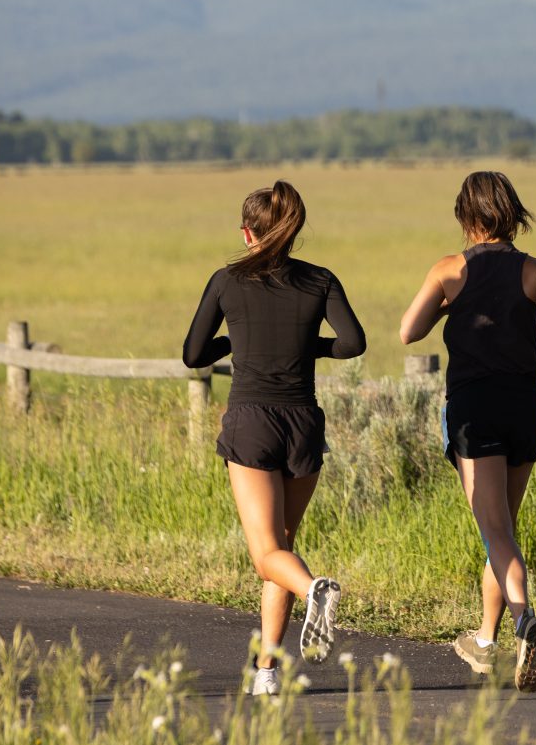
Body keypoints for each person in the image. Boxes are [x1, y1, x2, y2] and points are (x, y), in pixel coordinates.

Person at [182, 179, 365, 697]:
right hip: (303, 424)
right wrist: (309, 346)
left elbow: (194, 354)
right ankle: (266, 672)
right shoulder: (320, 280)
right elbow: (353, 343)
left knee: (266, 555)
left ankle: (315, 590)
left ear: (247, 233)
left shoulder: (225, 281)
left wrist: (240, 339)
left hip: (252, 422)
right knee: (282, 546)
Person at [399, 171, 536, 693]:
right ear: (512, 213)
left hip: (476, 407)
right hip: (526, 406)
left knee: (494, 529)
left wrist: (448, 306)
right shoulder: (535, 268)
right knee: (503, 529)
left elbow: (408, 330)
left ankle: (525, 620)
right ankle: (484, 638)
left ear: (466, 215)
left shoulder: (450, 269)